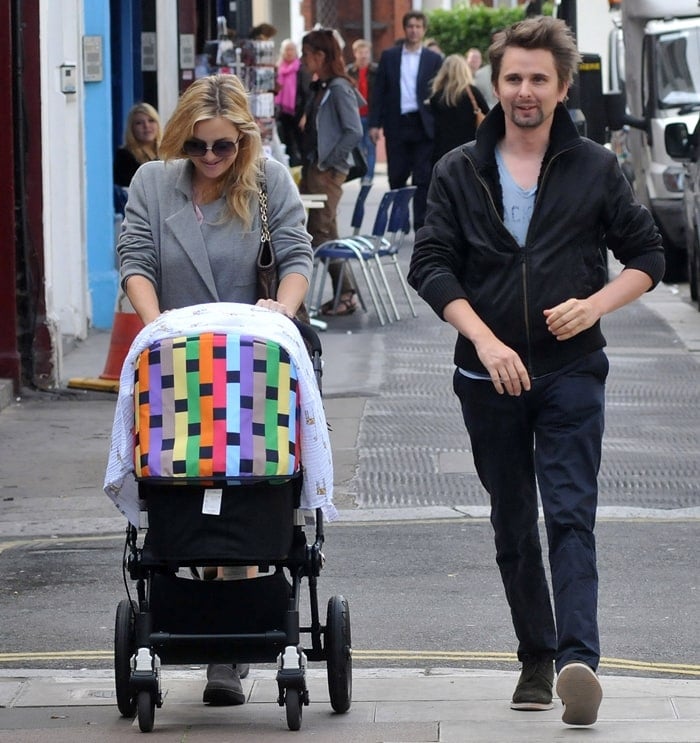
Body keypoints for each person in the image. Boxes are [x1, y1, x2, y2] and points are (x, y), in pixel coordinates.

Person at [407, 16, 665, 727]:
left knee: (571, 511)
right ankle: (536, 654)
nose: (524, 91)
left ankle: (580, 658)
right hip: (487, 376)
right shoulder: (459, 169)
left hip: (571, 369)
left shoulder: (594, 167)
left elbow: (648, 256)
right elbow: (429, 265)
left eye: (538, 79)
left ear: (561, 87)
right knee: (514, 520)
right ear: (497, 82)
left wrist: (596, 305)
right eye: (513, 77)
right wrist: (485, 341)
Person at [117, 73, 313, 706]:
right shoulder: (152, 183)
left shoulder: (267, 181)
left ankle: (227, 655)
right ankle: (189, 613)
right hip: (176, 369)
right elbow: (136, 261)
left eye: (223, 147)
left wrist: (280, 316)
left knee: (246, 491)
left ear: (244, 142)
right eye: (198, 146)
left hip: (254, 368)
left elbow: (297, 256)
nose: (209, 159)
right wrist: (158, 333)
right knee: (181, 490)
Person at [298, 28, 363, 317]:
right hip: (316, 169)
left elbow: (353, 131)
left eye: (306, 54)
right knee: (327, 233)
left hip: (326, 172)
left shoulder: (337, 88)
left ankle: (346, 293)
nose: (302, 60)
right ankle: (344, 294)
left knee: (319, 233)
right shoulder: (324, 86)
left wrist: (328, 162)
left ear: (320, 55)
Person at [369, 11, 443, 231]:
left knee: (423, 178)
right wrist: (374, 124)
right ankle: (400, 222)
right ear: (405, 28)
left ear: (424, 30)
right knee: (397, 176)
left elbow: (438, 94)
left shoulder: (433, 59)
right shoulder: (389, 56)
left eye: (418, 26)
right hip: (397, 123)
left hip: (423, 124)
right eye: (410, 26)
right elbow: (379, 91)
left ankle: (421, 225)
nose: (414, 30)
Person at [429, 53, 489, 164]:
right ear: (464, 70)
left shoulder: (436, 96)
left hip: (443, 153)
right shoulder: (472, 92)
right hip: (470, 150)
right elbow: (488, 116)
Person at [346, 38, 378, 183]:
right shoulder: (349, 71)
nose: (364, 55)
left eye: (366, 52)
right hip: (355, 115)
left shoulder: (375, 71)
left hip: (370, 114)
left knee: (370, 146)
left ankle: (368, 176)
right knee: (358, 147)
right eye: (361, 52)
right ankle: (361, 172)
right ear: (355, 53)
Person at [113, 102, 162, 188]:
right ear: (132, 128)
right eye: (139, 123)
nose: (146, 126)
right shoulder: (124, 155)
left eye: (151, 121)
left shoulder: (168, 152)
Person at [275, 39, 303, 166]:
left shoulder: (300, 68)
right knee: (285, 141)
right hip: (282, 111)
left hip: (296, 110)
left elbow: (305, 91)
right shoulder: (278, 68)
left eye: (291, 49)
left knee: (298, 141)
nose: (289, 52)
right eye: (287, 49)